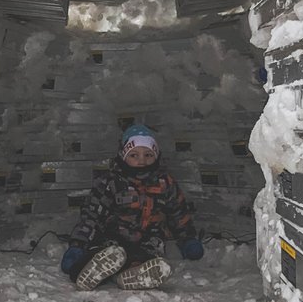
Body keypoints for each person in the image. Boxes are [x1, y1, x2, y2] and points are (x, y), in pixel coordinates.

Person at [60, 123, 204, 291]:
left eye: (148, 155)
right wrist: (77, 245)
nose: (141, 160)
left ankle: (134, 274)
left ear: (156, 156)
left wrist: (188, 240)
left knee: (147, 255)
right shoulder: (111, 183)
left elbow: (178, 213)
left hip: (148, 239)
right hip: (114, 237)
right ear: (123, 155)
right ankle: (87, 270)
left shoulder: (165, 183)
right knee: (107, 252)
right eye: (134, 155)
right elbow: (91, 216)